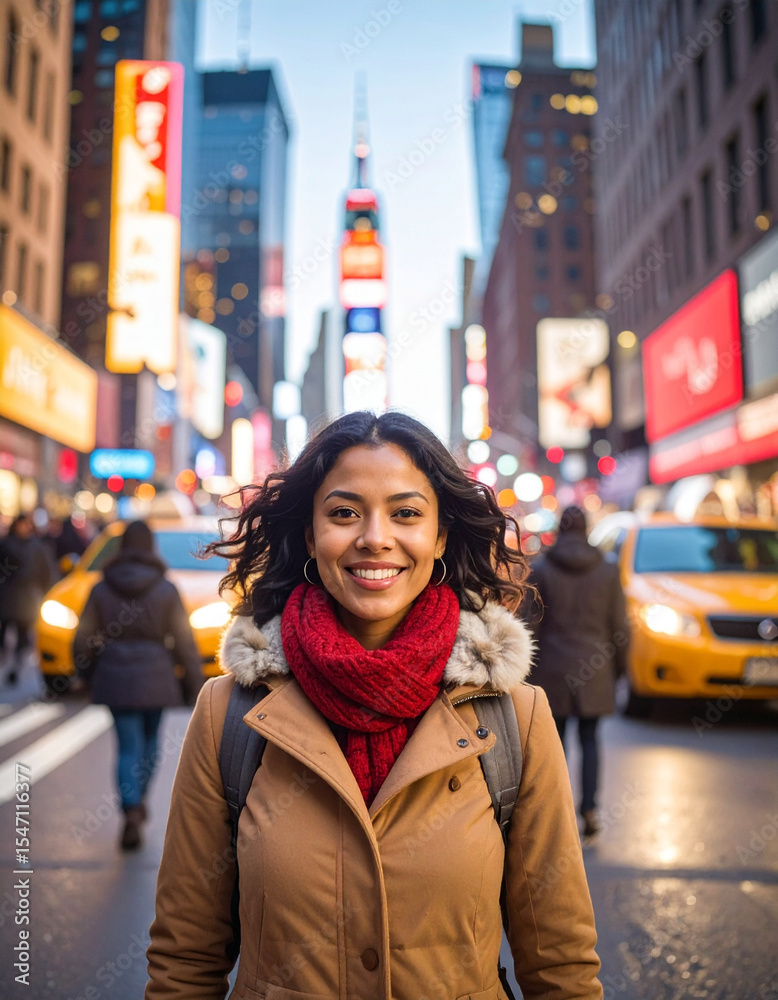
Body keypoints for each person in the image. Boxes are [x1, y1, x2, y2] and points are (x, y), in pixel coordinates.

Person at [145, 412, 603, 1000]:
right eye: (344, 513)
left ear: (440, 536)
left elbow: (561, 966)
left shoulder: (517, 717)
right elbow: (185, 960)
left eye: (406, 513)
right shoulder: (226, 714)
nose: (374, 537)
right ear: (310, 535)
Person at [73, 520, 203, 850]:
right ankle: (139, 801)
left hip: (114, 676)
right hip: (157, 676)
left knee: (127, 746)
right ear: (150, 547)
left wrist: (87, 675)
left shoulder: (102, 587)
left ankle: (130, 808)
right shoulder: (166, 588)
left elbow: (83, 639)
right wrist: (193, 684)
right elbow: (185, 642)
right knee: (150, 745)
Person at [526, 505, 629, 837]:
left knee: (554, 746)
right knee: (590, 739)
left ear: (559, 529)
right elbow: (620, 628)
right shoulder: (608, 572)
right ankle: (589, 810)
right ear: (586, 530)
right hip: (594, 670)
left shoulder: (540, 569)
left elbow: (530, 626)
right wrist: (619, 670)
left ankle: (556, 811)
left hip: (551, 671)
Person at [0, 513, 54, 685]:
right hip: (8, 598)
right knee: (5, 633)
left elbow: (46, 573)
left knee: (23, 637)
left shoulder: (37, 547)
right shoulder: (6, 545)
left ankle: (16, 666)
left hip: (26, 600)